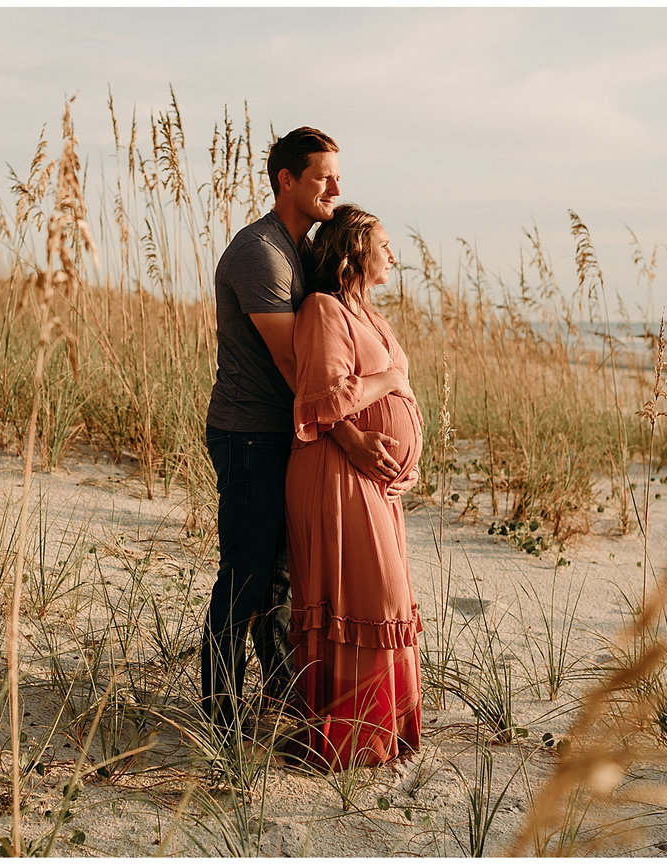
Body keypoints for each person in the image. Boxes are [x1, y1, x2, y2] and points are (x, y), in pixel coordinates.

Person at [203, 128, 412, 734]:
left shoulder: (302, 252)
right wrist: (352, 437)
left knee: (283, 582)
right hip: (251, 435)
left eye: (337, 177)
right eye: (324, 177)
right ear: (285, 180)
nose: (336, 188)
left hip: (291, 440)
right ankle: (220, 718)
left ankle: (278, 699)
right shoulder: (260, 253)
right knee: (244, 578)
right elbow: (298, 366)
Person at [285, 203, 423, 769]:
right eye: (384, 244)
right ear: (352, 253)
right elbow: (319, 397)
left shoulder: (374, 317)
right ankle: (349, 736)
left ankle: (381, 734)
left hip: (375, 482)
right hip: (335, 473)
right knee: (369, 597)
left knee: (383, 597)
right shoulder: (323, 309)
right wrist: (388, 381)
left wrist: (404, 464)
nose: (394, 255)